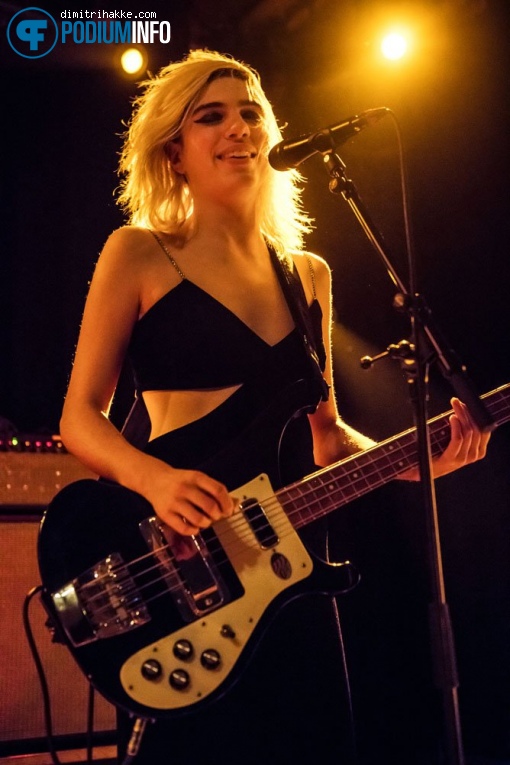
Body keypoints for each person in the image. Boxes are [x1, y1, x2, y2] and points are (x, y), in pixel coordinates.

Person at [59, 49, 490, 764]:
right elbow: (79, 415)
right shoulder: (137, 253)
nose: (239, 128)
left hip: (288, 574)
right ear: (175, 149)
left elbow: (328, 440)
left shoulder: (308, 277)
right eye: (212, 116)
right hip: (180, 567)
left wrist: (426, 458)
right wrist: (156, 481)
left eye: (251, 112)